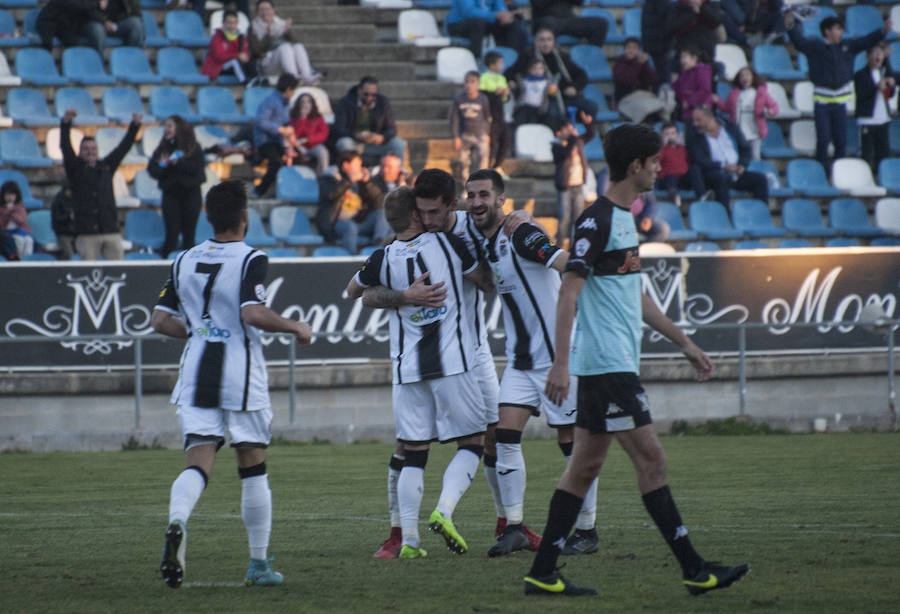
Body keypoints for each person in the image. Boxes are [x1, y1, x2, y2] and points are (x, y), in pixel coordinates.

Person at [523, 122, 750, 596]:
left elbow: (634, 295)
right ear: (635, 166)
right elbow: (569, 291)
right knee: (652, 462)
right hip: (607, 365)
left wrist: (685, 343)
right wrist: (560, 364)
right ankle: (695, 570)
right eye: (653, 162)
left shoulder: (625, 218)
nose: (659, 169)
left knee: (583, 468)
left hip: (610, 364)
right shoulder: (597, 220)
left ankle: (542, 573)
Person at [364, 169, 534, 558]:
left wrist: (523, 217)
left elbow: (498, 256)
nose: (427, 220)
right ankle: (399, 533)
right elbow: (365, 292)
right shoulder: (408, 241)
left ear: (451, 206)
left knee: (493, 434)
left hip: (473, 350)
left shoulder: (471, 228)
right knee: (410, 443)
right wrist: (405, 296)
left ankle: (507, 523)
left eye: (434, 213)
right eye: (421, 212)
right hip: (440, 353)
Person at [152, 179, 312, 589]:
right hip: (239, 375)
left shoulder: (183, 259)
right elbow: (252, 313)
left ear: (206, 215)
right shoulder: (251, 258)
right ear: (244, 216)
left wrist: (199, 332)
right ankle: (259, 565)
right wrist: (295, 326)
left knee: (198, 462)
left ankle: (177, 521)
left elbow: (160, 320)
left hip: (195, 373)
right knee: (253, 465)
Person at [346, 186, 496, 559]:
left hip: (407, 369)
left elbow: (353, 291)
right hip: (453, 363)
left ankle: (410, 542)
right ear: (416, 214)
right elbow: (486, 282)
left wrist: (402, 296)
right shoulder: (449, 244)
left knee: (413, 453)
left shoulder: (381, 257)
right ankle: (444, 509)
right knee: (473, 442)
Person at [467, 169, 600, 558]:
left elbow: (567, 264)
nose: (476, 202)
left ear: (501, 199)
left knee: (571, 444)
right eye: (471, 195)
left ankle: (587, 530)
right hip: (521, 363)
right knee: (504, 436)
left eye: (484, 195)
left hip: (560, 359)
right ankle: (514, 528)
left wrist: (532, 224)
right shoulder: (485, 240)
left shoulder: (522, 235)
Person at [785, 12, 889, 170]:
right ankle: (821, 171)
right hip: (822, 103)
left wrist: (882, 32)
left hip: (840, 104)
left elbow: (865, 41)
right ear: (827, 31)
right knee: (823, 139)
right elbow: (799, 43)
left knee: (841, 141)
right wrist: (790, 25)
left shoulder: (848, 46)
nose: (841, 32)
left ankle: (839, 171)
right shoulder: (816, 46)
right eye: (838, 28)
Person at [61, 108, 140, 261]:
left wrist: (135, 126)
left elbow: (123, 147)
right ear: (80, 152)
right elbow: (65, 146)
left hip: (110, 230)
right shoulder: (75, 169)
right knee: (88, 271)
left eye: (93, 149)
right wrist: (66, 123)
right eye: (86, 149)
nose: (90, 152)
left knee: (118, 270)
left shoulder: (106, 167)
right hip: (86, 233)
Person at [505, 28, 599, 121]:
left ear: (553, 42)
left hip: (565, 96)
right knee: (553, 115)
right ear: (536, 42)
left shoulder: (562, 55)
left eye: (549, 39)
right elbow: (509, 73)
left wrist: (575, 88)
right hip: (544, 98)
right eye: (542, 40)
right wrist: (511, 81)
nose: (546, 43)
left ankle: (575, 128)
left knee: (591, 107)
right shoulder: (527, 56)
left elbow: (582, 75)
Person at [148, 115, 206, 257]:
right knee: (171, 234)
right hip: (171, 195)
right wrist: (165, 165)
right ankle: (167, 262)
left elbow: (197, 169)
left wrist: (178, 163)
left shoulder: (193, 147)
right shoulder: (163, 148)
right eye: (165, 126)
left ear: (179, 128)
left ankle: (189, 263)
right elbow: (153, 169)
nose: (166, 129)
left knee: (189, 235)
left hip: (191, 195)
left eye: (169, 126)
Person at [686, 106, 768, 206]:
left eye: (698, 120)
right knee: (721, 178)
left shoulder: (731, 128)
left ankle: (760, 212)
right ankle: (724, 214)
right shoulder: (695, 137)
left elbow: (745, 149)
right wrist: (724, 166)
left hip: (735, 172)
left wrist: (741, 166)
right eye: (694, 121)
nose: (695, 124)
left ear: (709, 117)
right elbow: (700, 160)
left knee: (760, 180)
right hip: (714, 173)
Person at [315, 150, 389, 254]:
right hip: (335, 222)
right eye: (357, 165)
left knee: (382, 213)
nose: (360, 168)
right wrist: (349, 181)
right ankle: (351, 259)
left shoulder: (360, 182)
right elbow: (331, 195)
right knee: (350, 227)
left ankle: (378, 248)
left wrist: (366, 183)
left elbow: (376, 202)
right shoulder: (329, 178)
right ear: (346, 165)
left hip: (359, 222)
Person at [333, 76, 406, 167]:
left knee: (398, 143)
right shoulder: (345, 103)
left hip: (376, 144)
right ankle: (352, 173)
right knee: (344, 142)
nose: (369, 97)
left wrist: (382, 137)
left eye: (373, 95)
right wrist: (356, 135)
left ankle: (399, 171)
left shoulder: (383, 102)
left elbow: (392, 129)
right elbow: (338, 129)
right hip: (355, 143)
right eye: (366, 94)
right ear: (359, 90)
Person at [249, 0, 322, 86]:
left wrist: (288, 32)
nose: (265, 12)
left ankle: (307, 76)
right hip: (267, 64)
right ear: (257, 12)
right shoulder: (253, 27)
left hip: (284, 62)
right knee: (284, 48)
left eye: (268, 9)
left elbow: (295, 42)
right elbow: (256, 51)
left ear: (273, 10)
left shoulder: (280, 23)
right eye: (262, 10)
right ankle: (293, 77)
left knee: (298, 46)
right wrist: (268, 36)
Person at [713, 66, 778, 160]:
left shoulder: (761, 93)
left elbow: (774, 106)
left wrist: (772, 111)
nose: (744, 78)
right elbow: (726, 108)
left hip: (754, 128)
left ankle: (755, 167)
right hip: (739, 127)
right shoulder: (734, 93)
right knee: (740, 154)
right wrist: (718, 101)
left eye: (747, 75)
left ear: (753, 77)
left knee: (754, 154)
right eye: (742, 76)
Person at [252, 73, 299, 198]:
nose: (293, 93)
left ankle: (289, 190)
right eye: (293, 90)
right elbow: (261, 121)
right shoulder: (271, 101)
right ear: (288, 89)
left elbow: (285, 122)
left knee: (296, 156)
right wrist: (280, 129)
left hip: (278, 140)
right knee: (276, 162)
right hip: (264, 140)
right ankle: (258, 191)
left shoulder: (285, 103)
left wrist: (289, 132)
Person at [552, 111, 594, 249]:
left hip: (578, 185)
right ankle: (558, 247)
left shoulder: (577, 141)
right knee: (564, 218)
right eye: (566, 129)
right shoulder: (556, 146)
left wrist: (588, 124)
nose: (569, 131)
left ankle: (573, 248)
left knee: (577, 219)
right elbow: (566, 153)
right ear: (558, 133)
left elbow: (590, 135)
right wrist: (573, 138)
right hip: (565, 187)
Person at [855, 43, 896, 174]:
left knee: (883, 152)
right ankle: (865, 176)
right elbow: (862, 94)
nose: (878, 56)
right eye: (875, 53)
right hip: (868, 120)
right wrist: (876, 87)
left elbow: (889, 95)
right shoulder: (860, 74)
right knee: (866, 153)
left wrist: (890, 86)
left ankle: (882, 176)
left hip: (883, 119)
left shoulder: (884, 72)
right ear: (868, 56)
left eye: (880, 53)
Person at [446, 0, 527, 60]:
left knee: (511, 23)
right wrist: (494, 15)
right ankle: (476, 60)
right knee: (478, 23)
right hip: (459, 24)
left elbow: (500, 7)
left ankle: (509, 60)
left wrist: (505, 15)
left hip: (485, 22)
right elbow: (468, 12)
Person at [451, 71, 492, 182]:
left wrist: (487, 133)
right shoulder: (459, 99)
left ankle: (482, 182)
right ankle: (466, 184)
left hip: (480, 134)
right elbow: (455, 119)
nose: (469, 85)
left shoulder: (483, 99)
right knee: (464, 162)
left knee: (484, 157)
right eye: (467, 82)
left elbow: (488, 117)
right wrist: (456, 136)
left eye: (472, 82)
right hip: (465, 134)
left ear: (478, 84)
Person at [612, 37, 664, 123]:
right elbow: (628, 81)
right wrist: (637, 64)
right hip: (626, 99)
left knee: (661, 107)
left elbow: (654, 80)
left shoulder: (642, 63)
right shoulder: (619, 64)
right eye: (628, 48)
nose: (631, 51)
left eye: (634, 48)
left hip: (643, 96)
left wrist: (645, 65)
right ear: (624, 50)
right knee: (644, 109)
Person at [479, 51, 512, 173]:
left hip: (500, 114)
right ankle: (487, 168)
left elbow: (505, 99)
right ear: (492, 65)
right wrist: (495, 93)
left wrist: (505, 94)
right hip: (490, 115)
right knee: (492, 143)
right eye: (500, 63)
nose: (502, 65)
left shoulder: (502, 78)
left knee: (506, 141)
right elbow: (482, 95)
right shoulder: (483, 77)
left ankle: (497, 166)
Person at [666, 0, 723, 70]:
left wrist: (701, 7)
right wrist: (692, 12)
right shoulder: (679, 4)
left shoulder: (709, 3)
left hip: (706, 48)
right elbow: (672, 26)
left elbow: (716, 21)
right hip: (686, 48)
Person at [201, 10, 253, 83]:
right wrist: (237, 55)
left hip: (235, 67)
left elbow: (244, 53)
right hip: (218, 67)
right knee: (235, 61)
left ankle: (255, 80)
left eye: (234, 23)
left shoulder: (241, 37)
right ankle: (244, 82)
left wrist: (245, 57)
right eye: (229, 22)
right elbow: (219, 56)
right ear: (223, 23)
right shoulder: (217, 37)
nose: (232, 26)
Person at [530, 0, 608, 47]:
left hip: (568, 20)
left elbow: (579, 2)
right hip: (546, 19)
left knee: (600, 24)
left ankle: (588, 58)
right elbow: (538, 3)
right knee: (548, 25)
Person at [512, 58, 561, 128]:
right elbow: (518, 89)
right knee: (519, 123)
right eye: (534, 68)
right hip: (524, 107)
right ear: (529, 70)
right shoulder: (524, 80)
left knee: (533, 125)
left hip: (538, 109)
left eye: (540, 68)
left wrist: (552, 91)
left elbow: (551, 95)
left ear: (544, 70)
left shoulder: (546, 82)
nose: (538, 71)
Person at [288, 92, 330, 175]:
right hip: (299, 146)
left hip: (314, 145)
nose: (305, 104)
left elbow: (323, 134)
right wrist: (302, 119)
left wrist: (308, 139)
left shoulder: (318, 117)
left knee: (323, 151)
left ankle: (324, 175)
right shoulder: (294, 118)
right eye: (303, 102)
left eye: (308, 102)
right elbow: (295, 134)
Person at [35, 0, 101, 51]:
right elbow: (77, 6)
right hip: (47, 21)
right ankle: (43, 61)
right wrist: (98, 3)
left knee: (73, 43)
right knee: (47, 43)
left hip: (62, 24)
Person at [671, 46, 713, 121]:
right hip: (688, 114)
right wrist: (675, 84)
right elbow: (681, 95)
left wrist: (689, 102)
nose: (681, 61)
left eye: (684, 57)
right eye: (681, 58)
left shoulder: (702, 70)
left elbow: (704, 90)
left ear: (694, 58)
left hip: (701, 113)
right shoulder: (684, 73)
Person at [656, 122, 691, 206]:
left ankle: (702, 195)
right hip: (666, 180)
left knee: (694, 170)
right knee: (671, 176)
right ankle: (674, 197)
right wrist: (663, 146)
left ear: (677, 135)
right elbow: (656, 163)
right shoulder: (661, 149)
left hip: (681, 180)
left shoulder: (681, 149)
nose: (670, 136)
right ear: (662, 136)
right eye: (666, 134)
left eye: (672, 133)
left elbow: (688, 162)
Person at [0, 181, 35, 260]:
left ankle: (28, 259)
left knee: (29, 240)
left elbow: (22, 221)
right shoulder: (2, 209)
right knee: (19, 241)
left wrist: (12, 213)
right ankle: (20, 259)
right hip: (8, 233)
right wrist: (7, 213)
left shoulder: (20, 207)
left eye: (12, 195)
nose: (10, 197)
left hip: (21, 231)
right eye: (7, 195)